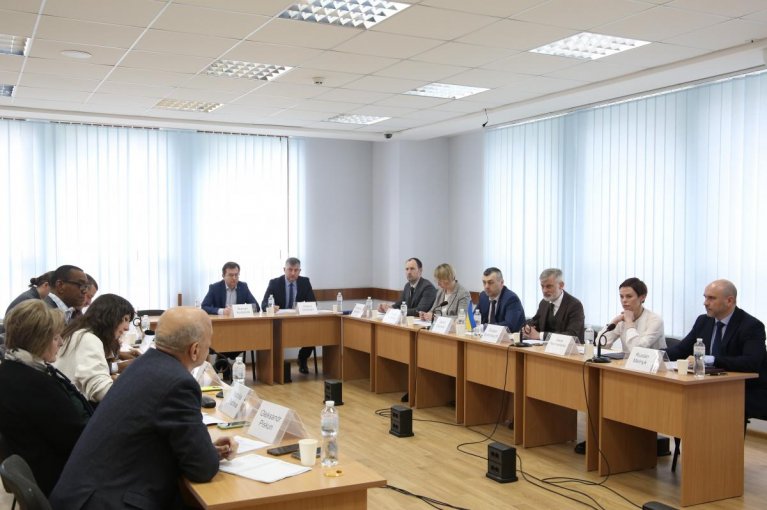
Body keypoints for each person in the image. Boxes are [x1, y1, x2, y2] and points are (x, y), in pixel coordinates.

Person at [50, 307, 236, 510]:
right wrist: (207, 455)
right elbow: (202, 469)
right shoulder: (179, 383)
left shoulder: (141, 365)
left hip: (82, 493)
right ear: (195, 350)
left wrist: (205, 449)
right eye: (209, 343)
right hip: (104, 502)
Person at [0, 300, 93, 496]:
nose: (61, 343)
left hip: (40, 468)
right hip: (63, 480)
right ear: (39, 340)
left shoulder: (10, 369)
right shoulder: (35, 385)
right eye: (56, 337)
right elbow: (78, 441)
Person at [666, 279, 767, 418]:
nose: (705, 303)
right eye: (705, 297)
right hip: (707, 384)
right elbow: (681, 350)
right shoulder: (703, 321)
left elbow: (751, 362)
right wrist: (655, 354)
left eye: (711, 298)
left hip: (744, 389)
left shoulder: (751, 326)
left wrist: (709, 360)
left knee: (705, 402)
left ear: (729, 301)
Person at [54, 294, 136, 404]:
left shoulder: (78, 333)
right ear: (110, 316)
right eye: (125, 319)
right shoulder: (88, 339)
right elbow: (101, 391)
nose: (127, 328)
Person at [261, 257, 316, 374]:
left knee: (313, 333)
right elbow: (264, 304)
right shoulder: (275, 283)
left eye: (296, 270)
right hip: (279, 322)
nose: (293, 273)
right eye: (290, 269)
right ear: (284, 270)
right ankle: (275, 366)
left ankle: (302, 359)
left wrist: (303, 307)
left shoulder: (305, 282)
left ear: (299, 271)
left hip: (298, 320)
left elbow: (313, 303)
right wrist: (270, 307)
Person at [597, 277, 665, 353]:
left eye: (629, 296)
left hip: (650, 360)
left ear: (642, 297)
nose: (624, 300)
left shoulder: (655, 320)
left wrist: (629, 323)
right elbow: (601, 344)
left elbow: (637, 350)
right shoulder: (621, 319)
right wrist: (614, 321)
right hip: (625, 360)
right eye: (621, 296)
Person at [523, 268, 586, 342]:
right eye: (542, 286)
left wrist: (540, 335)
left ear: (561, 285)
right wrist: (528, 327)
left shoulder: (575, 305)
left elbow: (572, 335)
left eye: (549, 286)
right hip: (543, 348)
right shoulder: (544, 303)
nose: (544, 290)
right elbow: (535, 321)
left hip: (568, 349)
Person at [478, 267, 525, 332]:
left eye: (490, 282)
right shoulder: (483, 296)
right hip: (486, 336)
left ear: (501, 283)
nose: (486, 286)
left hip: (508, 337)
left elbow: (509, 325)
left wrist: (485, 327)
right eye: (484, 282)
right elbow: (474, 317)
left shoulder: (511, 299)